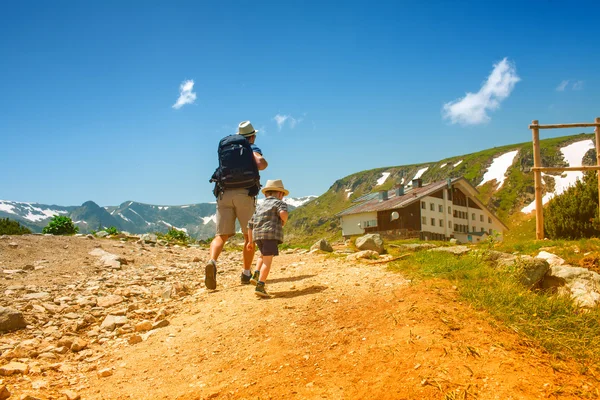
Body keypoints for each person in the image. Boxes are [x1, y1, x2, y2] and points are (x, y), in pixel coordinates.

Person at [205, 121, 268, 290]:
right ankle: (246, 273)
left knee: (221, 235)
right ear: (252, 136)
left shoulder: (228, 149)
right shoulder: (251, 148)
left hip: (224, 194)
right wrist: (262, 162)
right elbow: (260, 164)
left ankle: (212, 261)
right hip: (244, 194)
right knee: (249, 236)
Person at [246, 179, 289, 298]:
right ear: (280, 194)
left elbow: (250, 224)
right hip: (270, 235)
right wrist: (283, 221)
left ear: (266, 194)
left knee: (262, 255)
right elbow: (283, 214)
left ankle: (256, 274)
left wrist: (250, 241)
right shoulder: (279, 203)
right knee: (267, 261)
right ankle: (260, 285)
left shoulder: (259, 206)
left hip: (257, 235)